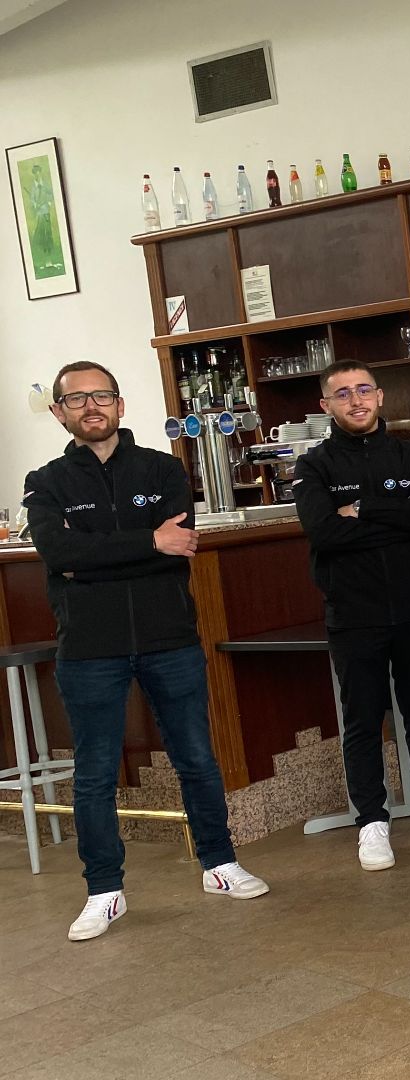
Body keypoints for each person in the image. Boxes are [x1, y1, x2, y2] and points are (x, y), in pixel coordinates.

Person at [22, 361, 269, 942]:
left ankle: (219, 864)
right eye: (77, 399)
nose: (91, 406)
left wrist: (102, 555)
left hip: (169, 640)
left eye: (102, 395)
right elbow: (60, 554)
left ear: (120, 404)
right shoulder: (46, 481)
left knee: (197, 759)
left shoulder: (163, 469)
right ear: (59, 412)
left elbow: (178, 544)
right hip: (89, 648)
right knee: (94, 775)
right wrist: (147, 542)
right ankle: (104, 891)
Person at [293, 360, 410, 871]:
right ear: (326, 405)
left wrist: (364, 510)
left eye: (364, 390)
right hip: (354, 613)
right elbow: (324, 532)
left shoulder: (409, 454)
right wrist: (400, 516)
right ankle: (371, 822)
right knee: (363, 721)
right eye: (343, 393)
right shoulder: (314, 466)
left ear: (379, 397)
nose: (356, 400)